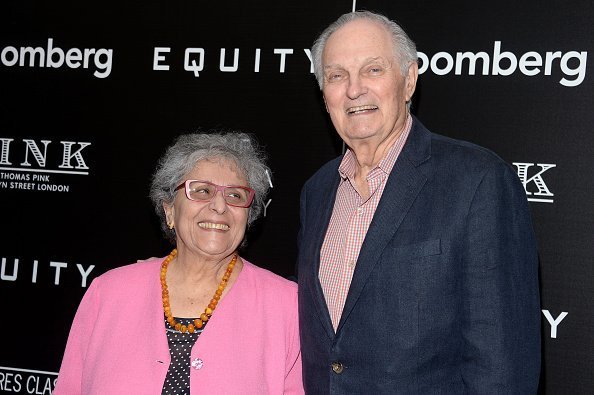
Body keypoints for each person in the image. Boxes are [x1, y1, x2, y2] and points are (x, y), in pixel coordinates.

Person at [297, 10, 541, 393]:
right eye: (336, 75)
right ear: (323, 93)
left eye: (373, 70)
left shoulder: (477, 180)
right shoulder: (318, 191)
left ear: (408, 80)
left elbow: (503, 366)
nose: (354, 89)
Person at [54, 131, 303, 394]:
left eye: (235, 196)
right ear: (170, 209)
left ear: (248, 216)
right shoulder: (107, 293)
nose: (219, 206)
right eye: (202, 190)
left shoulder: (286, 306)